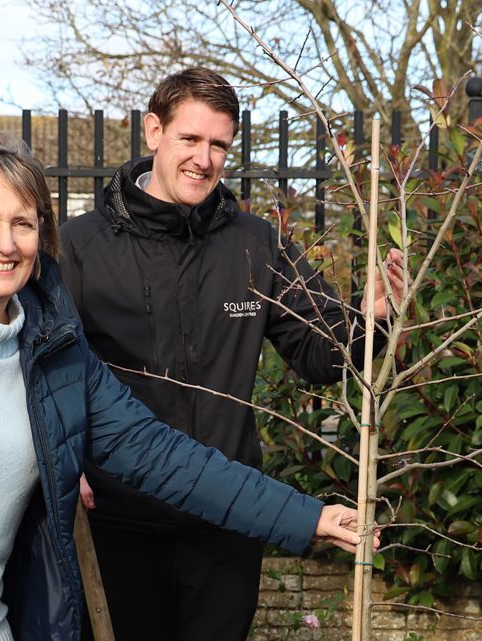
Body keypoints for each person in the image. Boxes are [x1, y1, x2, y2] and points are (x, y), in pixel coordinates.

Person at [0, 139, 372, 641]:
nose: (5, 243)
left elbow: (165, 457)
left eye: (23, 222)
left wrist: (309, 515)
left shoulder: (57, 355)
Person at [58, 67, 404, 641]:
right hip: (118, 523)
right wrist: (65, 452)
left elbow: (321, 353)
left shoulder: (256, 245)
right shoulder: (80, 247)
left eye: (219, 144)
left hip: (227, 525)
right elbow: (48, 371)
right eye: (190, 139)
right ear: (153, 131)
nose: (204, 158)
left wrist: (371, 320)